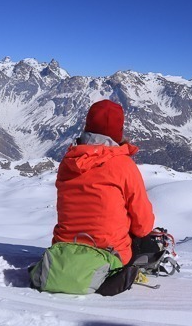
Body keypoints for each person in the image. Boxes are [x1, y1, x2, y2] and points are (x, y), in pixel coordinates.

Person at [52, 99, 156, 265]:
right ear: (119, 131)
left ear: (88, 125)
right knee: (149, 244)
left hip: (63, 253)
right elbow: (143, 225)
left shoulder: (69, 161)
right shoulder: (124, 165)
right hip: (111, 256)